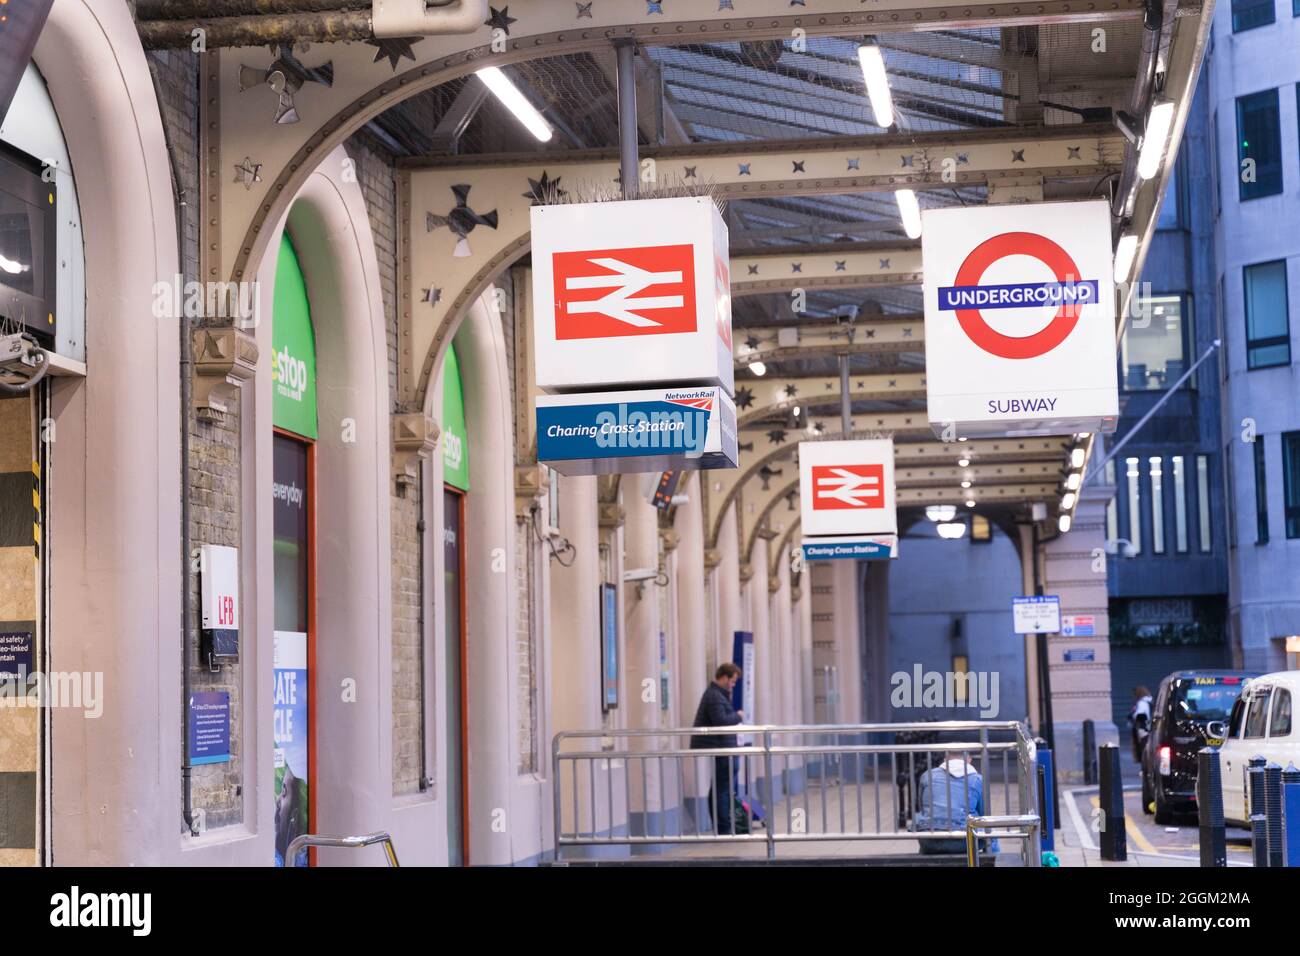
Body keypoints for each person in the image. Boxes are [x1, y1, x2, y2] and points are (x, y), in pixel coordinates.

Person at [690, 663, 745, 834]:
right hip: (720, 747)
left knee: (721, 788)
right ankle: (723, 828)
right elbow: (720, 721)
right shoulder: (715, 696)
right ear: (724, 677)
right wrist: (738, 716)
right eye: (733, 681)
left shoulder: (718, 694)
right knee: (722, 790)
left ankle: (724, 826)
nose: (733, 685)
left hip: (723, 747)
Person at [913, 753, 997, 856]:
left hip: (929, 840)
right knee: (990, 827)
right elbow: (984, 814)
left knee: (922, 818)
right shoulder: (978, 779)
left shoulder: (927, 775)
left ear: (945, 760)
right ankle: (993, 858)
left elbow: (922, 806)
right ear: (968, 760)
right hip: (965, 841)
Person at [1130, 685, 1154, 762]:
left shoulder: (1142, 703)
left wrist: (1133, 715)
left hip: (1143, 728)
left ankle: (1145, 763)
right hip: (1151, 727)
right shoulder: (1150, 701)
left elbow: (1139, 715)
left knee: (1144, 747)